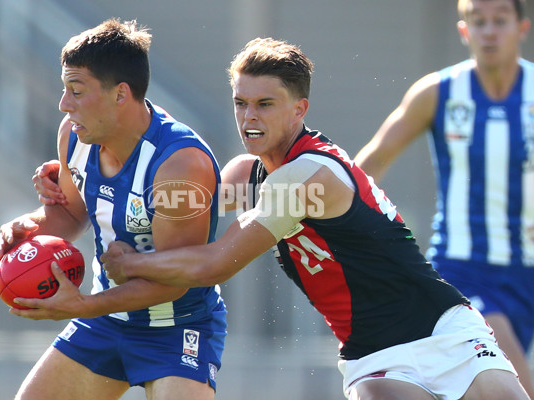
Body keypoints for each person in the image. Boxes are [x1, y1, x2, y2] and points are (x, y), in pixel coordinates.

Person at [59, 36, 528, 399]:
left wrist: (132, 265)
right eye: (240, 103)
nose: (248, 118)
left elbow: (214, 263)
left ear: (299, 109)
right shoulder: (248, 174)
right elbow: (175, 204)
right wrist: (71, 180)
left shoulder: (308, 176)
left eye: (266, 104)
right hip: (373, 354)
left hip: (444, 327)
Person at [0, 19, 227, 400]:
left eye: (76, 91)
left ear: (121, 94)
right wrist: (29, 227)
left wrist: (83, 305)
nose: (64, 104)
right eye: (64, 89)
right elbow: (70, 214)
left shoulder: (179, 164)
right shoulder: (74, 134)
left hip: (177, 326)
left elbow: (174, 280)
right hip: (105, 320)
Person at [354, 0, 534, 396]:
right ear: (464, 30)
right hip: (461, 269)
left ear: (521, 27)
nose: (489, 31)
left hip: (526, 273)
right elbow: (373, 161)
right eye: (478, 21)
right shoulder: (438, 92)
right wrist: (340, 223)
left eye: (499, 21)